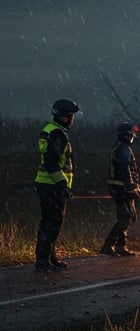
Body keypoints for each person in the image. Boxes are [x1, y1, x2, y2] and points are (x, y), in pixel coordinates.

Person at [34, 98, 81, 273]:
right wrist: (62, 184)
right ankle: (43, 261)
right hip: (52, 185)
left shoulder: (54, 130)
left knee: (51, 222)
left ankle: (49, 258)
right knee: (51, 223)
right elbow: (51, 162)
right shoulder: (57, 133)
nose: (73, 119)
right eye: (72, 115)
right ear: (66, 116)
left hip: (49, 184)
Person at [101, 122, 140, 257]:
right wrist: (131, 186)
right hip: (120, 188)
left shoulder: (121, 147)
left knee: (128, 216)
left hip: (121, 187)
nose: (134, 137)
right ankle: (109, 245)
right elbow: (125, 168)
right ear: (128, 135)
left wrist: (136, 187)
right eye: (133, 134)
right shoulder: (122, 149)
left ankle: (120, 246)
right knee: (126, 217)